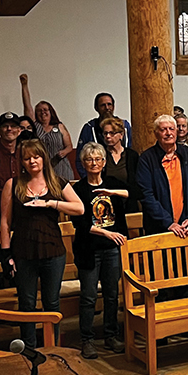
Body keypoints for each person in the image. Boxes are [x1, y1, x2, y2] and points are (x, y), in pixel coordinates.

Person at [0, 139, 84, 347]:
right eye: (27, 158)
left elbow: (80, 208)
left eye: (36, 156)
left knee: (52, 302)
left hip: (53, 250)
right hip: (24, 251)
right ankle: (28, 346)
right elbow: (5, 222)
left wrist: (52, 203)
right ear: (22, 161)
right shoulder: (13, 184)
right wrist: (5, 254)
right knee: (26, 302)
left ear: (43, 158)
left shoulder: (57, 182)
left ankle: (51, 346)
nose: (32, 161)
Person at [73, 142, 128, 359]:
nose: (94, 163)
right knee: (88, 296)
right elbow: (80, 222)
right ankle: (87, 339)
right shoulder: (78, 189)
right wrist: (106, 233)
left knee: (112, 294)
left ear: (104, 162)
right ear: (83, 163)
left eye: (98, 159)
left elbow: (135, 192)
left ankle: (111, 335)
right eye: (89, 159)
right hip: (89, 249)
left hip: (112, 250)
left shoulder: (113, 184)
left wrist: (112, 192)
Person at [136, 115, 188, 238]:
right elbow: (146, 195)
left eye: (171, 129)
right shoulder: (146, 159)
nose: (168, 133)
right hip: (159, 229)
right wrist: (168, 223)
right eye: (163, 130)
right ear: (156, 134)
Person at [19, 73, 76, 182]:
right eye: (39, 111)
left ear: (51, 112)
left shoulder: (59, 126)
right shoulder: (35, 127)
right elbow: (28, 108)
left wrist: (64, 152)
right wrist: (24, 85)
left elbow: (69, 146)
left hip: (61, 167)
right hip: (42, 169)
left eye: (45, 110)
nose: (43, 112)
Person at [76, 91, 133, 173]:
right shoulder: (89, 128)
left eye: (109, 104)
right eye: (103, 105)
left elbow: (131, 150)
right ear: (96, 108)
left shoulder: (125, 126)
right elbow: (80, 158)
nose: (107, 108)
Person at [99, 116, 140, 213]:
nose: (108, 136)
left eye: (112, 133)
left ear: (121, 135)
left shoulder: (132, 155)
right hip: (108, 206)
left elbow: (137, 184)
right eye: (105, 133)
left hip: (129, 204)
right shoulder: (101, 154)